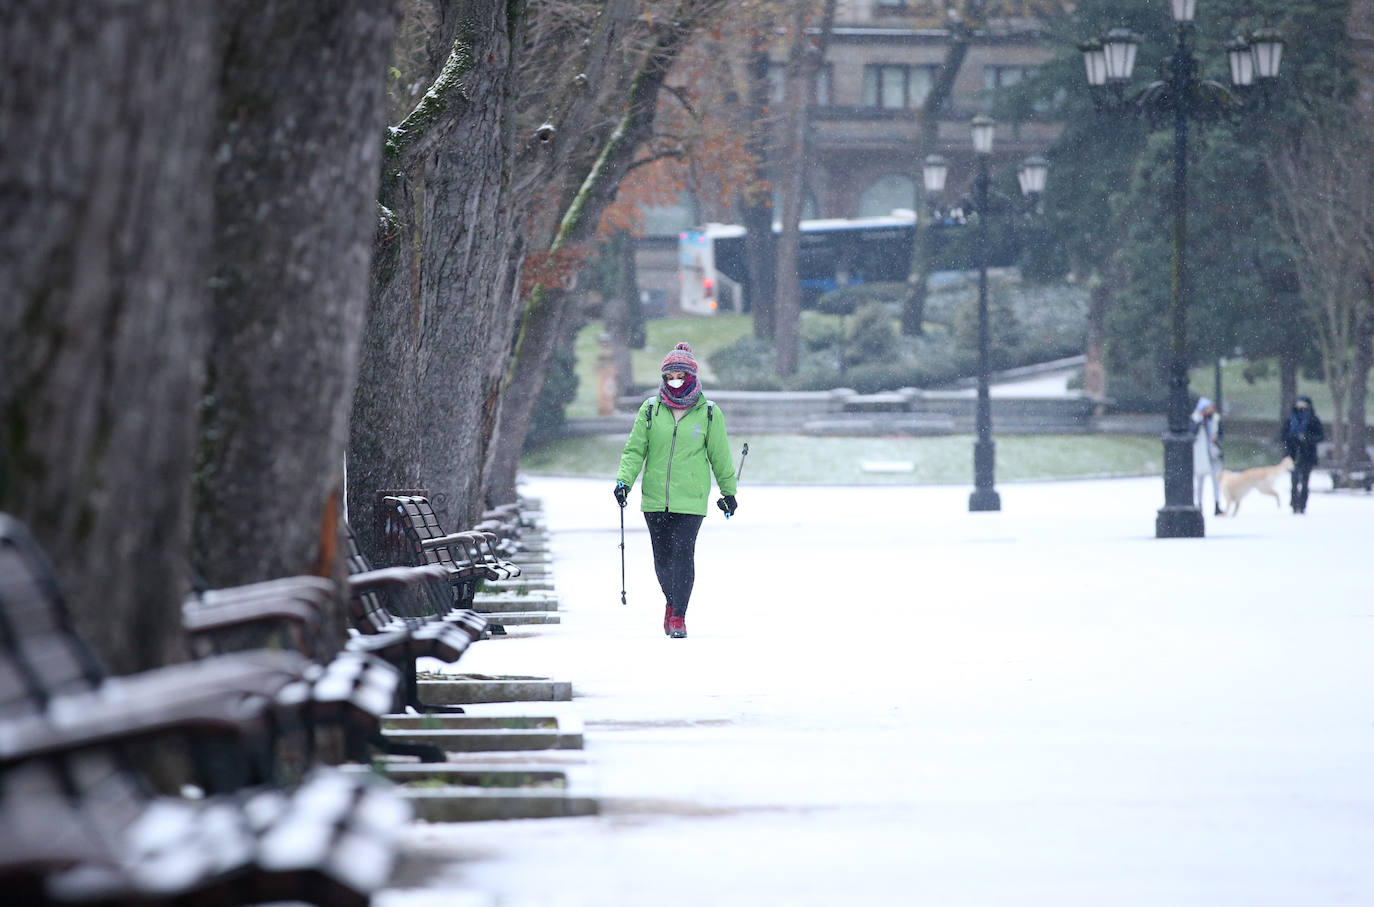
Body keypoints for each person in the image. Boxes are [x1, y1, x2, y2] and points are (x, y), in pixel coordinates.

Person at [614, 342, 737, 639]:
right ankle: (671, 602)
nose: (674, 381)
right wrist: (624, 482)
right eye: (669, 376)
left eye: (679, 375)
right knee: (663, 558)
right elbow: (634, 450)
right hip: (655, 498)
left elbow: (720, 455)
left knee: (683, 555)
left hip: (691, 499)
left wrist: (728, 492)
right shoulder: (650, 409)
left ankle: (679, 615)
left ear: (691, 376)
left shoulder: (708, 413)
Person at [1281, 395, 1324, 514]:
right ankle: (1294, 503)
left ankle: (1302, 504)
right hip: (1293, 455)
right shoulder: (1290, 420)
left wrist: (1307, 438)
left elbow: (1320, 436)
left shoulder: (1313, 420)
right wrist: (1292, 438)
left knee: (1305, 481)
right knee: (1294, 481)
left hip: (1308, 454)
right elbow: (1283, 436)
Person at [1191, 397, 1223, 516]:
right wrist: (1200, 421)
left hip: (1213, 453)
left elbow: (1220, 433)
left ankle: (1217, 503)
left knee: (1216, 480)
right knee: (1200, 481)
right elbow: (1192, 432)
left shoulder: (1214, 419)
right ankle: (1199, 504)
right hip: (1201, 454)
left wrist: (1216, 438)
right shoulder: (1196, 419)